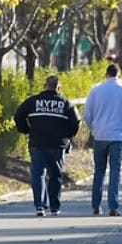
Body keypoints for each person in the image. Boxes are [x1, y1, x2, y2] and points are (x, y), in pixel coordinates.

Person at [14, 75, 81, 217]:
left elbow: (18, 115)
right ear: (59, 87)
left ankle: (40, 205)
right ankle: (55, 207)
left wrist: (26, 129)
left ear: (44, 86)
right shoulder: (65, 103)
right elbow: (76, 122)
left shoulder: (32, 102)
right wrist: (67, 136)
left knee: (38, 174)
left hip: (37, 143)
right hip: (57, 145)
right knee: (55, 175)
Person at [84, 64, 122, 216]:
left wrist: (94, 128)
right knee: (115, 170)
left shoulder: (95, 91)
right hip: (118, 136)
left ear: (105, 74)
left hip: (100, 135)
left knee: (99, 171)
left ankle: (96, 205)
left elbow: (87, 115)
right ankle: (113, 206)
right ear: (119, 74)